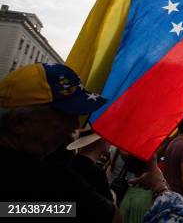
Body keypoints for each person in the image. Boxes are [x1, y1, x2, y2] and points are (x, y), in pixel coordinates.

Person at [0, 63, 119, 222]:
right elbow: (113, 218)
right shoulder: (51, 183)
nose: (75, 124)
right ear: (19, 123)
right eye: (65, 113)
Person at [67, 127, 114, 202]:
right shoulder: (96, 173)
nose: (111, 142)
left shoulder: (68, 162)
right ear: (102, 140)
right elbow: (109, 205)